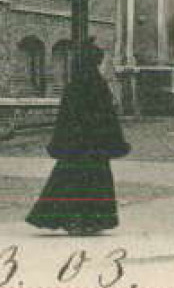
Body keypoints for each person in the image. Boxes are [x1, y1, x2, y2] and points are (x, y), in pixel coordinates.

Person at [26, 41, 129, 235]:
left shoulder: (74, 86)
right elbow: (108, 118)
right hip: (95, 148)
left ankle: (72, 220)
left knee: (68, 181)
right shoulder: (99, 86)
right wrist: (113, 142)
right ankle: (92, 221)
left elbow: (64, 118)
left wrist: (62, 142)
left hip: (75, 147)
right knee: (94, 181)